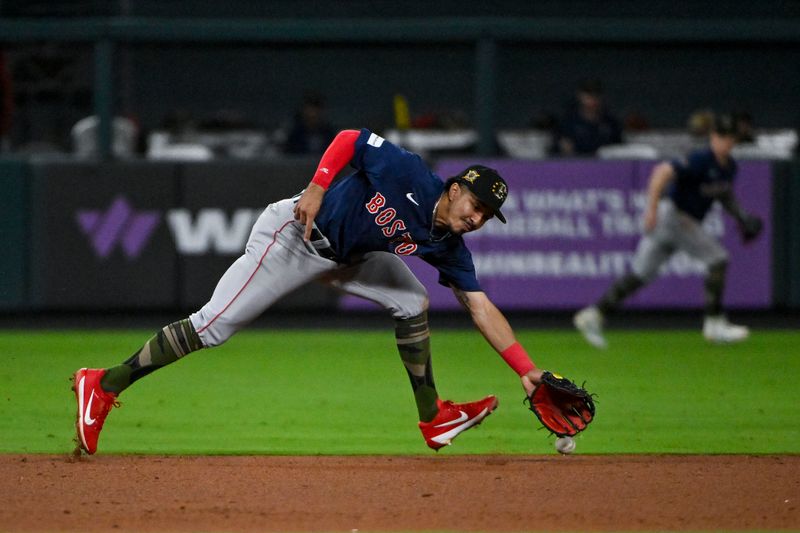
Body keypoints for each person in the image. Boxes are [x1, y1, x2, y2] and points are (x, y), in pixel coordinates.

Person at [73, 128, 553, 455]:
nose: (478, 218)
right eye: (476, 204)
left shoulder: (449, 245)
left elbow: (480, 306)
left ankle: (434, 417)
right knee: (213, 327)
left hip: (347, 258)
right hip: (295, 235)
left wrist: (527, 372)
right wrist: (318, 186)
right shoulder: (408, 173)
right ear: (453, 189)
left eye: (487, 216)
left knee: (413, 302)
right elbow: (350, 139)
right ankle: (104, 383)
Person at [573, 113, 761, 348]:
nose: (725, 142)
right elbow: (661, 172)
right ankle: (715, 323)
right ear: (713, 136)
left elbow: (724, 196)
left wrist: (741, 217)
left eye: (730, 137)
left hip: (676, 221)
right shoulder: (701, 158)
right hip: (675, 217)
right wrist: (651, 208)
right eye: (721, 136)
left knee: (640, 275)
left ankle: (594, 315)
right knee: (718, 259)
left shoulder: (729, 166)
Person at [552, 78, 623, 156]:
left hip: (606, 166)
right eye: (588, 95)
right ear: (580, 95)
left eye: (596, 95)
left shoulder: (610, 123)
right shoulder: (567, 122)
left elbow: (619, 148)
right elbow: (555, 149)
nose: (592, 99)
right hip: (576, 165)